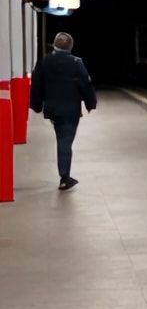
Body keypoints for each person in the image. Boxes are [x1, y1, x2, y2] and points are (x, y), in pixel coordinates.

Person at [29, 32, 98, 190]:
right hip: (70, 110)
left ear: (54, 45)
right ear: (70, 47)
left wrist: (37, 105)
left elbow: (37, 84)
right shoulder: (76, 62)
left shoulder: (45, 61)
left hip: (53, 110)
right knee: (65, 141)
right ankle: (65, 177)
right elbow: (85, 84)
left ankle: (65, 175)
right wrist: (90, 103)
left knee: (62, 138)